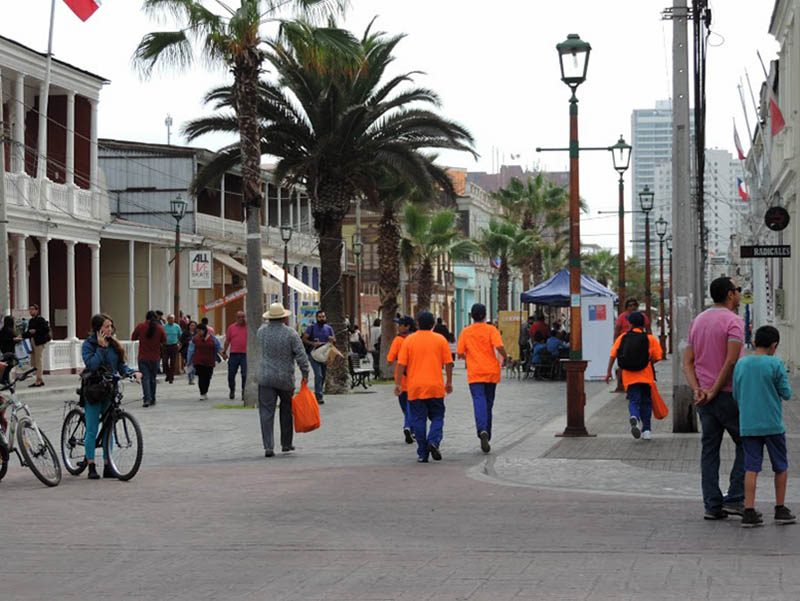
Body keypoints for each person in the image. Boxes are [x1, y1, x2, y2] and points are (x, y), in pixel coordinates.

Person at [683, 276, 746, 520]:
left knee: (709, 449)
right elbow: (731, 362)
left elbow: (688, 362)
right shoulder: (734, 322)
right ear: (730, 295)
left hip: (704, 399)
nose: (740, 294)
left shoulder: (697, 321)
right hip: (728, 395)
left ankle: (712, 504)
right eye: (738, 290)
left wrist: (698, 389)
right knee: (747, 443)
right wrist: (714, 390)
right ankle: (735, 497)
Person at [733, 325, 795, 527]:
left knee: (751, 467)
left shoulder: (741, 364)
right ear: (774, 345)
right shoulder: (775, 364)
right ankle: (780, 509)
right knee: (780, 466)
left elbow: (736, 393)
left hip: (748, 424)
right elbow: (786, 393)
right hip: (773, 424)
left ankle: (749, 510)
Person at [81, 314, 141, 479]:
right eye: (106, 326)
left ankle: (108, 465)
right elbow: (91, 365)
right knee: (92, 429)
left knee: (109, 428)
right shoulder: (89, 345)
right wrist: (100, 348)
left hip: (110, 390)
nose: (109, 329)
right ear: (97, 329)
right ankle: (91, 464)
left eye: (110, 326)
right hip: (93, 391)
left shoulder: (114, 345)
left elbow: (121, 366)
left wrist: (132, 373)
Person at [395, 311, 454, 463]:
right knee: (437, 416)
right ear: (433, 324)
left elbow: (401, 364)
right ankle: (434, 441)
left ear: (418, 324)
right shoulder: (440, 340)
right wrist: (449, 382)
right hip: (435, 387)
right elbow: (449, 363)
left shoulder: (409, 340)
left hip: (415, 388)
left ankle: (422, 453)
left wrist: (398, 384)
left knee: (419, 419)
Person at [257, 303, 310, 457]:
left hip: (265, 377)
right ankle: (286, 444)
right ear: (284, 317)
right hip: (285, 378)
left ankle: (268, 446)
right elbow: (301, 355)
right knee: (286, 410)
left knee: (266, 412)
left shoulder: (261, 332)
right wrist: (305, 372)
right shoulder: (291, 334)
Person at [457, 303, 507, 454]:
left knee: (479, 401)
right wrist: (506, 356)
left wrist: (470, 354)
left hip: (475, 373)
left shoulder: (466, 332)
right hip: (491, 372)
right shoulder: (491, 330)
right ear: (485, 315)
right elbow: (498, 346)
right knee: (488, 404)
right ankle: (487, 433)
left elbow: (459, 353)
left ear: (471, 316)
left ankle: (482, 430)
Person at [604, 312, 663, 440]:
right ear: (644, 324)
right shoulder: (650, 339)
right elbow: (657, 357)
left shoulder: (623, 337)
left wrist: (609, 372)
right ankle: (646, 430)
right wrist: (648, 362)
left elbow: (613, 355)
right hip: (646, 377)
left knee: (634, 401)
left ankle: (634, 416)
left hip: (629, 377)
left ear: (630, 323)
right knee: (646, 402)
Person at [386, 316, 416, 444]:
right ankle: (410, 427)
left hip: (401, 380)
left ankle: (408, 426)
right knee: (411, 406)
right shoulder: (415, 339)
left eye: (400, 324)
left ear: (407, 326)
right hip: (414, 377)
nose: (398, 327)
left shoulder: (398, 340)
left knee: (405, 406)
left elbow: (389, 359)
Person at [131, 310, 166, 408]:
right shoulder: (159, 328)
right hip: (155, 357)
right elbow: (164, 340)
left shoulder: (141, 326)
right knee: (152, 378)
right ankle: (153, 398)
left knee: (145, 378)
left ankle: (147, 399)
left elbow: (133, 337)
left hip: (143, 356)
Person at [303, 311, 335, 405]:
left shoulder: (329, 328)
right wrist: (313, 343)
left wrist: (332, 340)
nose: (322, 318)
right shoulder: (311, 328)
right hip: (314, 354)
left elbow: (334, 340)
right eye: (320, 317)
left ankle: (319, 391)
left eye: (323, 316)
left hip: (324, 354)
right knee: (319, 374)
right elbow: (304, 339)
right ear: (316, 318)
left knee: (323, 375)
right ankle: (318, 396)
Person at [188, 323, 220, 400]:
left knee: (208, 377)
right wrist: (189, 361)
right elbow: (191, 350)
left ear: (204, 330)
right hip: (198, 361)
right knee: (201, 377)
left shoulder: (213, 338)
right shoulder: (195, 339)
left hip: (209, 361)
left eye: (200, 331)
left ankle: (205, 391)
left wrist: (221, 355)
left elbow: (218, 347)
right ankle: (202, 393)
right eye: (197, 331)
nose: (198, 332)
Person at [222, 311, 248, 400]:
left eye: (243, 317)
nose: (241, 319)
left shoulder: (248, 327)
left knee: (245, 374)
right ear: (236, 318)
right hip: (234, 354)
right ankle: (232, 390)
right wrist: (224, 351)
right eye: (239, 317)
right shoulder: (231, 327)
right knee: (231, 374)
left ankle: (244, 391)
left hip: (245, 354)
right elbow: (227, 341)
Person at [23, 304, 50, 387]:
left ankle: (38, 379)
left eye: (32, 309)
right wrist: (22, 336)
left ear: (37, 310)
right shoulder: (31, 321)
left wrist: (36, 331)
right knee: (34, 362)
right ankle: (39, 379)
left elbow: (46, 329)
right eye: (30, 309)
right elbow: (28, 332)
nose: (31, 311)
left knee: (38, 361)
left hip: (39, 342)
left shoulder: (41, 320)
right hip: (32, 341)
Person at [162, 314, 182, 384]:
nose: (171, 320)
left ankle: (171, 377)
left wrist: (180, 344)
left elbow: (180, 336)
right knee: (165, 361)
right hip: (165, 346)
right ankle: (168, 374)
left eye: (172, 318)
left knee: (173, 362)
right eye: (170, 318)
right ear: (167, 319)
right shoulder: (164, 327)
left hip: (174, 346)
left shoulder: (177, 327)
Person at [180, 320, 197, 385]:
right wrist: (188, 341)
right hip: (187, 351)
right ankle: (190, 379)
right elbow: (181, 341)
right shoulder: (185, 333)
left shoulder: (197, 333)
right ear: (189, 326)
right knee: (189, 364)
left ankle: (192, 376)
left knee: (195, 365)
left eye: (194, 325)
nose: (192, 327)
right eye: (191, 325)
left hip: (196, 351)